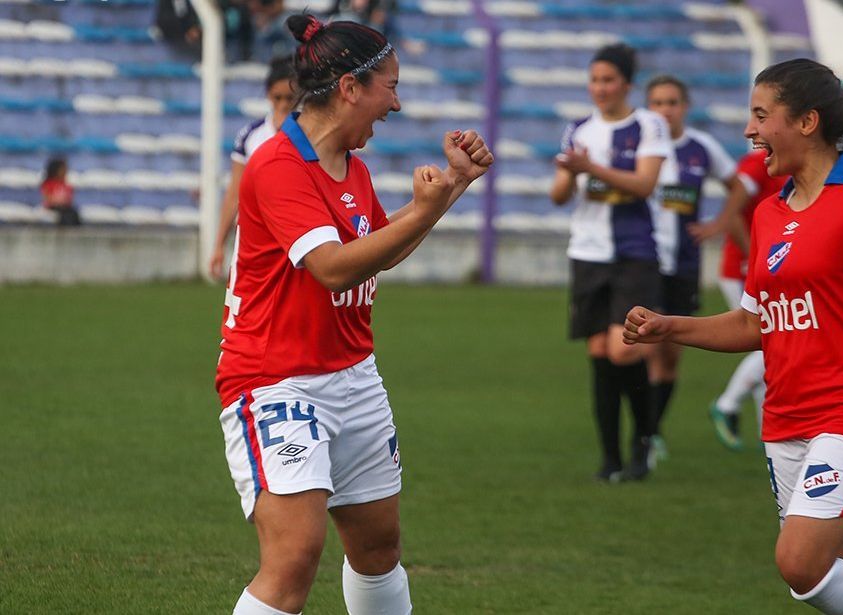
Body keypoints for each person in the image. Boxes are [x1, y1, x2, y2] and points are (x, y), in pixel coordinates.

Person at [623, 58, 843, 614]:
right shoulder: (769, 215)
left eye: (760, 115)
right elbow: (756, 323)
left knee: (799, 563)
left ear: (806, 122)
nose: (750, 130)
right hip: (785, 417)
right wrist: (668, 326)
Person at [215, 14, 493, 615]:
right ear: (349, 87)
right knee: (292, 561)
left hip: (353, 376)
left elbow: (373, 254)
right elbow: (335, 267)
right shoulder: (275, 165)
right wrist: (424, 209)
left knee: (378, 548)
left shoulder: (353, 166)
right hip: (276, 382)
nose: (395, 103)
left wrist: (452, 187)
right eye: (389, 86)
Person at [549, 43, 671, 482]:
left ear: (626, 83)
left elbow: (643, 185)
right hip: (587, 252)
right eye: (594, 79)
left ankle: (643, 440)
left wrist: (592, 167)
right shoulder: (578, 129)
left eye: (608, 80)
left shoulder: (649, 125)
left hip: (633, 252)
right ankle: (610, 459)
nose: (600, 88)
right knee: (599, 351)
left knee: (624, 349)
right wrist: (571, 171)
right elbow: (558, 195)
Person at [643, 74, 738, 460]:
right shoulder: (639, 146)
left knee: (670, 353)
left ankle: (653, 428)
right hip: (645, 259)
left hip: (684, 262)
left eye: (672, 102)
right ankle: (645, 435)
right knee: (642, 346)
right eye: (658, 103)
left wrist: (719, 223)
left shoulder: (701, 148)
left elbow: (739, 184)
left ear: (685, 106)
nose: (665, 110)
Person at [689, 147, 788, 450]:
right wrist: (752, 255)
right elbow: (734, 200)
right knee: (768, 341)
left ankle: (766, 430)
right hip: (741, 270)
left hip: (760, 268)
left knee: (769, 344)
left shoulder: (787, 165)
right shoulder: (759, 163)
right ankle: (728, 404)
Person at [209, 55, 297, 279]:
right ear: (268, 94)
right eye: (278, 98)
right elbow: (234, 193)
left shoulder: (312, 135)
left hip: (296, 233)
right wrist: (219, 244)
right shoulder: (251, 136)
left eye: (289, 98)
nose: (284, 104)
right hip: (257, 237)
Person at [40, 157, 80, 226]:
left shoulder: (66, 184)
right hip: (53, 207)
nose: (65, 171)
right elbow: (47, 198)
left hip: (65, 207)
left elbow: (69, 198)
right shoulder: (49, 183)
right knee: (65, 216)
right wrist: (58, 201)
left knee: (73, 213)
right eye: (63, 169)